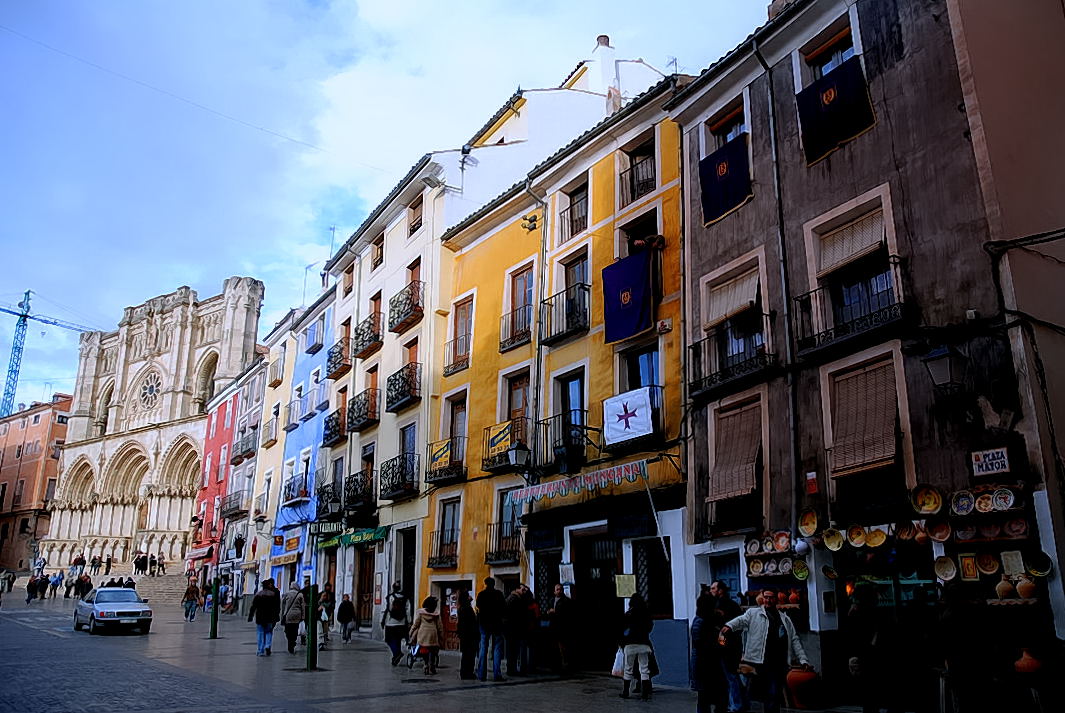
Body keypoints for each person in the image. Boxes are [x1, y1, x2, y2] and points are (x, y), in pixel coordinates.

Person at [720, 589, 812, 713]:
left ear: (776, 599)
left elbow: (794, 640)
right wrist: (729, 626)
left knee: (773, 695)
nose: (768, 600)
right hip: (758, 662)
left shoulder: (785, 619)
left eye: (771, 597)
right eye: (766, 597)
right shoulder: (753, 613)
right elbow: (741, 620)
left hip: (778, 663)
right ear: (763, 598)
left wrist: (803, 659)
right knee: (752, 695)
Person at [710, 581, 744, 713]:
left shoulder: (723, 606)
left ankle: (735, 705)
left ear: (720, 590)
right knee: (732, 676)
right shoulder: (731, 605)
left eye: (714, 588)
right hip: (731, 646)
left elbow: (723, 630)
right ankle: (739, 702)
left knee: (730, 677)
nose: (711, 591)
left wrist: (721, 644)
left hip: (727, 648)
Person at [691, 592, 724, 713]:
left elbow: (722, 638)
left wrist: (721, 643)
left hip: (713, 662)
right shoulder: (700, 622)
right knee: (704, 697)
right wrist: (718, 644)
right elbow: (700, 643)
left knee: (716, 696)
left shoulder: (714, 620)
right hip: (703, 663)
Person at [619, 592, 654, 701]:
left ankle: (626, 692)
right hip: (644, 643)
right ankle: (645, 693)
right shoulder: (646, 613)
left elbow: (622, 628)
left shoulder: (629, 614)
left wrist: (622, 642)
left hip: (630, 643)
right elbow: (650, 626)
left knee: (628, 668)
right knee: (644, 668)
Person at [476, 576, 507, 682]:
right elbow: (504, 608)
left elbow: (478, 606)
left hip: (484, 624)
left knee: (483, 648)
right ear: (494, 584)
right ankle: (497, 674)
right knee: (497, 649)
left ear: (486, 584)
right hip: (496, 624)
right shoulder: (499, 594)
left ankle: (481, 674)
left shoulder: (481, 595)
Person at [409, 595, 445, 675]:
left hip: (423, 635)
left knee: (424, 651)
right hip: (433, 634)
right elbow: (440, 627)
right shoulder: (436, 615)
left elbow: (416, 624)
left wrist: (411, 632)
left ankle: (426, 665)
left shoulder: (421, 613)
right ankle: (432, 665)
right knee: (433, 651)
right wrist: (442, 637)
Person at [247, 579, 281, 656]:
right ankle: (267, 645)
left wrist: (250, 616)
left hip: (260, 617)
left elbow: (253, 607)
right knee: (269, 632)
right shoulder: (273, 595)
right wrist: (276, 615)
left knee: (260, 633)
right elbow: (276, 607)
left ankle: (260, 650)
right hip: (270, 617)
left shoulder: (258, 595)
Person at [546, 583, 574, 673]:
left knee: (563, 648)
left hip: (562, 628)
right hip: (553, 627)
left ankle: (565, 666)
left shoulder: (566, 601)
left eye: (560, 589)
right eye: (557, 589)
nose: (559, 591)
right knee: (554, 648)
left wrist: (555, 612)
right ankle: (555, 666)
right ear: (554, 591)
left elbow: (567, 614)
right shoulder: (551, 600)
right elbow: (548, 611)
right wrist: (549, 612)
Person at [381, 582, 411, 666]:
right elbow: (408, 610)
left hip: (390, 622)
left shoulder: (390, 597)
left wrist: (382, 620)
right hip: (402, 622)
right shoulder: (405, 598)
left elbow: (386, 609)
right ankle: (395, 657)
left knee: (389, 640)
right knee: (398, 640)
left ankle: (397, 653)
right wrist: (409, 621)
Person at [504, 584, 529, 676]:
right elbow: (516, 616)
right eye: (523, 590)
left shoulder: (513, 598)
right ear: (517, 589)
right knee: (512, 650)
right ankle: (511, 670)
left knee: (512, 650)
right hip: (513, 629)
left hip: (511, 629)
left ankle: (512, 669)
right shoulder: (514, 599)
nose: (524, 592)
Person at [457, 589, 479, 680]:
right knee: (469, 655)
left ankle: (464, 672)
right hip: (470, 636)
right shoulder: (467, 609)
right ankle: (468, 673)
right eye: (469, 595)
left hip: (464, 636)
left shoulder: (462, 608)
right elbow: (471, 623)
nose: (471, 597)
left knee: (466, 655)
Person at [280, 582, 305, 654]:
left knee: (288, 629)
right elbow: (302, 607)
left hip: (288, 614)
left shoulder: (287, 594)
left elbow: (283, 605)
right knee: (295, 629)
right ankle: (293, 641)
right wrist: (303, 616)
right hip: (297, 615)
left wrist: (282, 616)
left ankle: (290, 642)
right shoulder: (300, 595)